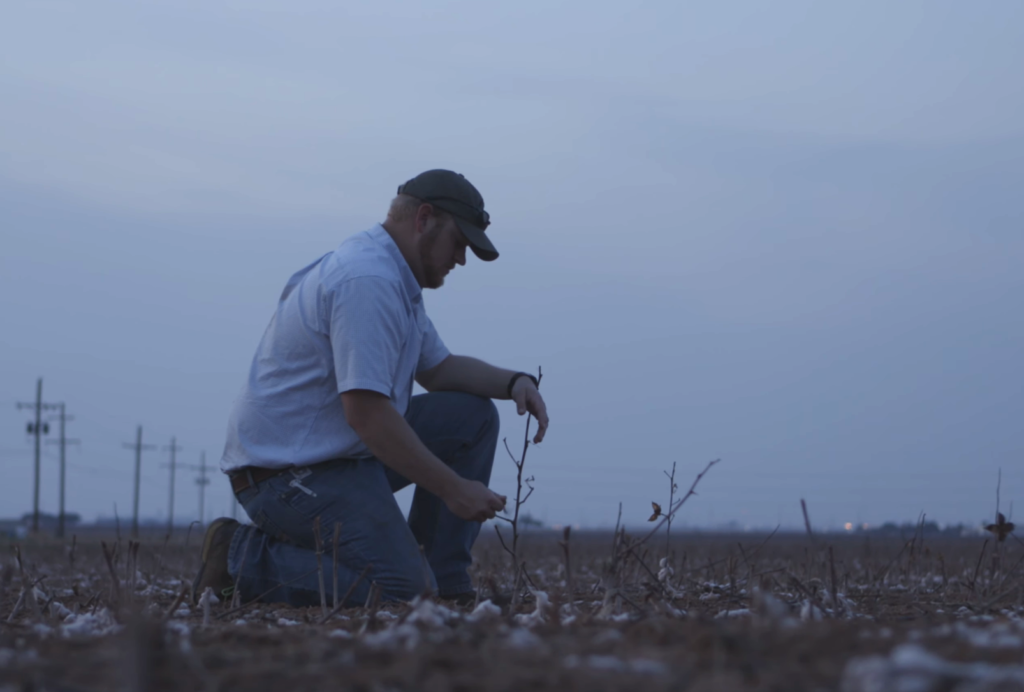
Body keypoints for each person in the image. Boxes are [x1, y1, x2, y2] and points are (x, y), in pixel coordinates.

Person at [192, 169, 550, 607]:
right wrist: (454, 488)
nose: (461, 259)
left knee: (471, 418)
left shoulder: (397, 281)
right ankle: (240, 556)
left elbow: (439, 370)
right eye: (459, 242)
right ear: (424, 219)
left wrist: (514, 382)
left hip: (341, 456)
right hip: (285, 476)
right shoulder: (367, 281)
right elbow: (365, 413)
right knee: (404, 592)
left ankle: (446, 583)